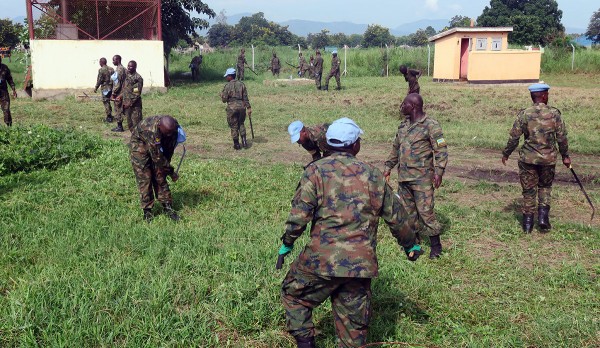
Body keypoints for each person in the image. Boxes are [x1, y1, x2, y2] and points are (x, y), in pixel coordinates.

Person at [278, 117, 423, 348]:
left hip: (320, 262)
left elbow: (299, 216)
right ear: (356, 145)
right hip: (359, 267)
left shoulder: (315, 171)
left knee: (293, 295)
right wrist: (410, 246)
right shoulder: (373, 175)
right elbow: (397, 218)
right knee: (353, 331)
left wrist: (287, 243)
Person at [384, 93, 448, 259]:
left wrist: (439, 171)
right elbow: (395, 148)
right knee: (407, 213)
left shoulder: (431, 125)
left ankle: (436, 247)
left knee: (425, 212)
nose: (401, 107)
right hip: (404, 177)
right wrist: (388, 167)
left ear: (412, 106)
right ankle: (415, 246)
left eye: (404, 104)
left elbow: (441, 150)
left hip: (422, 179)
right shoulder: (403, 126)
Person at [501, 83, 570, 233]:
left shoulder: (524, 114)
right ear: (544, 95)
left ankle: (527, 225)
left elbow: (514, 137)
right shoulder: (555, 114)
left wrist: (506, 153)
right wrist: (565, 156)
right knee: (545, 187)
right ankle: (543, 219)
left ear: (533, 96)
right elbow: (562, 138)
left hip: (528, 160)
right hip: (548, 159)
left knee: (528, 191)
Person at [130, 115, 184, 222]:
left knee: (160, 174)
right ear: (159, 127)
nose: (169, 135)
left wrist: (166, 168)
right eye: (166, 133)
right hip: (139, 144)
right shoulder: (151, 131)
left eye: (170, 133)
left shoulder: (173, 126)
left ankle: (167, 207)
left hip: (156, 144)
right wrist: (171, 172)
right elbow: (158, 157)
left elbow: (168, 150)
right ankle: (147, 211)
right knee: (145, 177)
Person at [220, 68, 252, 150]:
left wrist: (221, 95)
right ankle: (244, 142)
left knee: (234, 126)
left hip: (232, 108)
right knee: (241, 123)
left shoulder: (227, 86)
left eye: (227, 76)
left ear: (230, 76)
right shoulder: (242, 84)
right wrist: (249, 107)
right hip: (242, 107)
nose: (226, 78)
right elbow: (245, 97)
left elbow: (224, 100)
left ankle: (237, 144)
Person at [119, 60, 144, 132]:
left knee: (137, 124)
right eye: (128, 66)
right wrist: (120, 96)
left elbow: (137, 93)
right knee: (130, 124)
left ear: (135, 67)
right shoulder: (126, 75)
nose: (129, 68)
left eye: (131, 66)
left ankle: (139, 140)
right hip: (126, 104)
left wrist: (129, 103)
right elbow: (125, 88)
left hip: (135, 106)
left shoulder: (138, 78)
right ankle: (133, 139)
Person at [94, 57, 114, 123]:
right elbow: (114, 78)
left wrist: (96, 88)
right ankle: (111, 114)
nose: (99, 63)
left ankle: (109, 117)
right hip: (111, 87)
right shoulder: (111, 69)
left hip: (105, 88)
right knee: (110, 101)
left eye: (99, 62)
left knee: (106, 102)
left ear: (101, 62)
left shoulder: (101, 70)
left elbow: (99, 80)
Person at [111, 55, 127, 132]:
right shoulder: (123, 69)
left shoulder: (119, 70)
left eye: (113, 60)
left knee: (118, 109)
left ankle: (119, 127)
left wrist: (113, 93)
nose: (112, 62)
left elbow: (117, 84)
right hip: (123, 92)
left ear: (118, 60)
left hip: (119, 93)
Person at [0, 56, 17, 126]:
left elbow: (9, 79)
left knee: (6, 109)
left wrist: (13, 89)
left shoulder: (4, 68)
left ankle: (9, 126)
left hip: (3, 92)